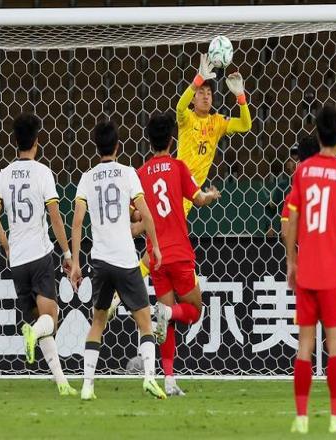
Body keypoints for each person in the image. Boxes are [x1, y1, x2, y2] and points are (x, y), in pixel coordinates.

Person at [107, 54, 251, 317]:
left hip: (185, 190)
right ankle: (119, 290)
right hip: (178, 188)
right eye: (201, 93)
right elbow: (179, 106)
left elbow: (245, 124)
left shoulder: (217, 122)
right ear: (194, 98)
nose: (205, 96)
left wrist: (240, 97)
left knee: (150, 230)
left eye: (209, 93)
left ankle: (129, 231)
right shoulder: (186, 119)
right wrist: (197, 79)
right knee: (156, 239)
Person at [69, 120, 166, 401]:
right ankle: (150, 378)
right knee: (144, 321)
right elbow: (146, 214)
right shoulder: (128, 173)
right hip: (125, 259)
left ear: (96, 146)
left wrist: (75, 263)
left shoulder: (87, 178)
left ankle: (87, 386)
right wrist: (155, 247)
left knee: (97, 322)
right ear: (118, 146)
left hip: (100, 261)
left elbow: (77, 222)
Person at [286, 105, 336, 434]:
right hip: (333, 273)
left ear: (317, 135)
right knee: (334, 347)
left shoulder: (302, 172)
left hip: (306, 270)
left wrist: (291, 261)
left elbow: (291, 218)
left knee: (304, 346)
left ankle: (301, 418)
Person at [0, 113, 76, 396]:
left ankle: (61, 382)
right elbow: (55, 216)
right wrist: (67, 253)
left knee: (41, 319)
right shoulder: (42, 172)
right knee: (51, 319)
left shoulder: (4, 174)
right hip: (39, 255)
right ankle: (33, 333)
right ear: (37, 142)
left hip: (17, 261)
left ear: (16, 142)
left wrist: (7, 245)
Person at [137, 112, 220, 396]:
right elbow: (198, 200)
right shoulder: (178, 167)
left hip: (156, 257)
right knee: (194, 311)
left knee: (166, 322)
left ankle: (169, 380)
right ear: (172, 140)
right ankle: (168, 312)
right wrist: (211, 196)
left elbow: (135, 214)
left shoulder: (140, 174)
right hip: (180, 254)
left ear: (150, 142)